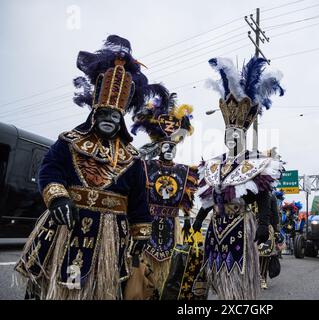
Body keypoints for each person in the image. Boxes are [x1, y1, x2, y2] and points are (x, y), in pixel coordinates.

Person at [15, 35, 152, 299]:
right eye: (104, 114)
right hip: (67, 225)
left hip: (111, 234)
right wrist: (58, 198)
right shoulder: (69, 142)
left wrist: (141, 231)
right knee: (55, 286)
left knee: (99, 289)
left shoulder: (133, 158)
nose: (110, 120)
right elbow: (50, 169)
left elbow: (138, 198)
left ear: (121, 120)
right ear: (94, 115)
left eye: (115, 116)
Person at [192, 56, 284, 299]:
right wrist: (198, 219)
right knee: (218, 273)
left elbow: (264, 197)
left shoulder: (255, 164)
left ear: (243, 136)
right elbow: (210, 198)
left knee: (238, 276)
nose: (233, 138)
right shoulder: (214, 165)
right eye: (229, 134)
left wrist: (264, 224)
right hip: (216, 226)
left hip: (241, 227)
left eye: (237, 135)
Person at [130, 89, 199, 298]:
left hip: (172, 224)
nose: (169, 150)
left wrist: (188, 220)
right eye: (165, 146)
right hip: (146, 223)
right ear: (159, 147)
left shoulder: (185, 170)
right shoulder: (144, 165)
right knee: (142, 269)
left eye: (172, 147)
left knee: (170, 272)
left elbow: (187, 199)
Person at [258, 192, 281, 289]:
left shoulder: (271, 195)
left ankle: (262, 278)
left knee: (264, 253)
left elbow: (275, 215)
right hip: (247, 227)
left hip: (266, 227)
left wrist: (276, 232)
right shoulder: (246, 192)